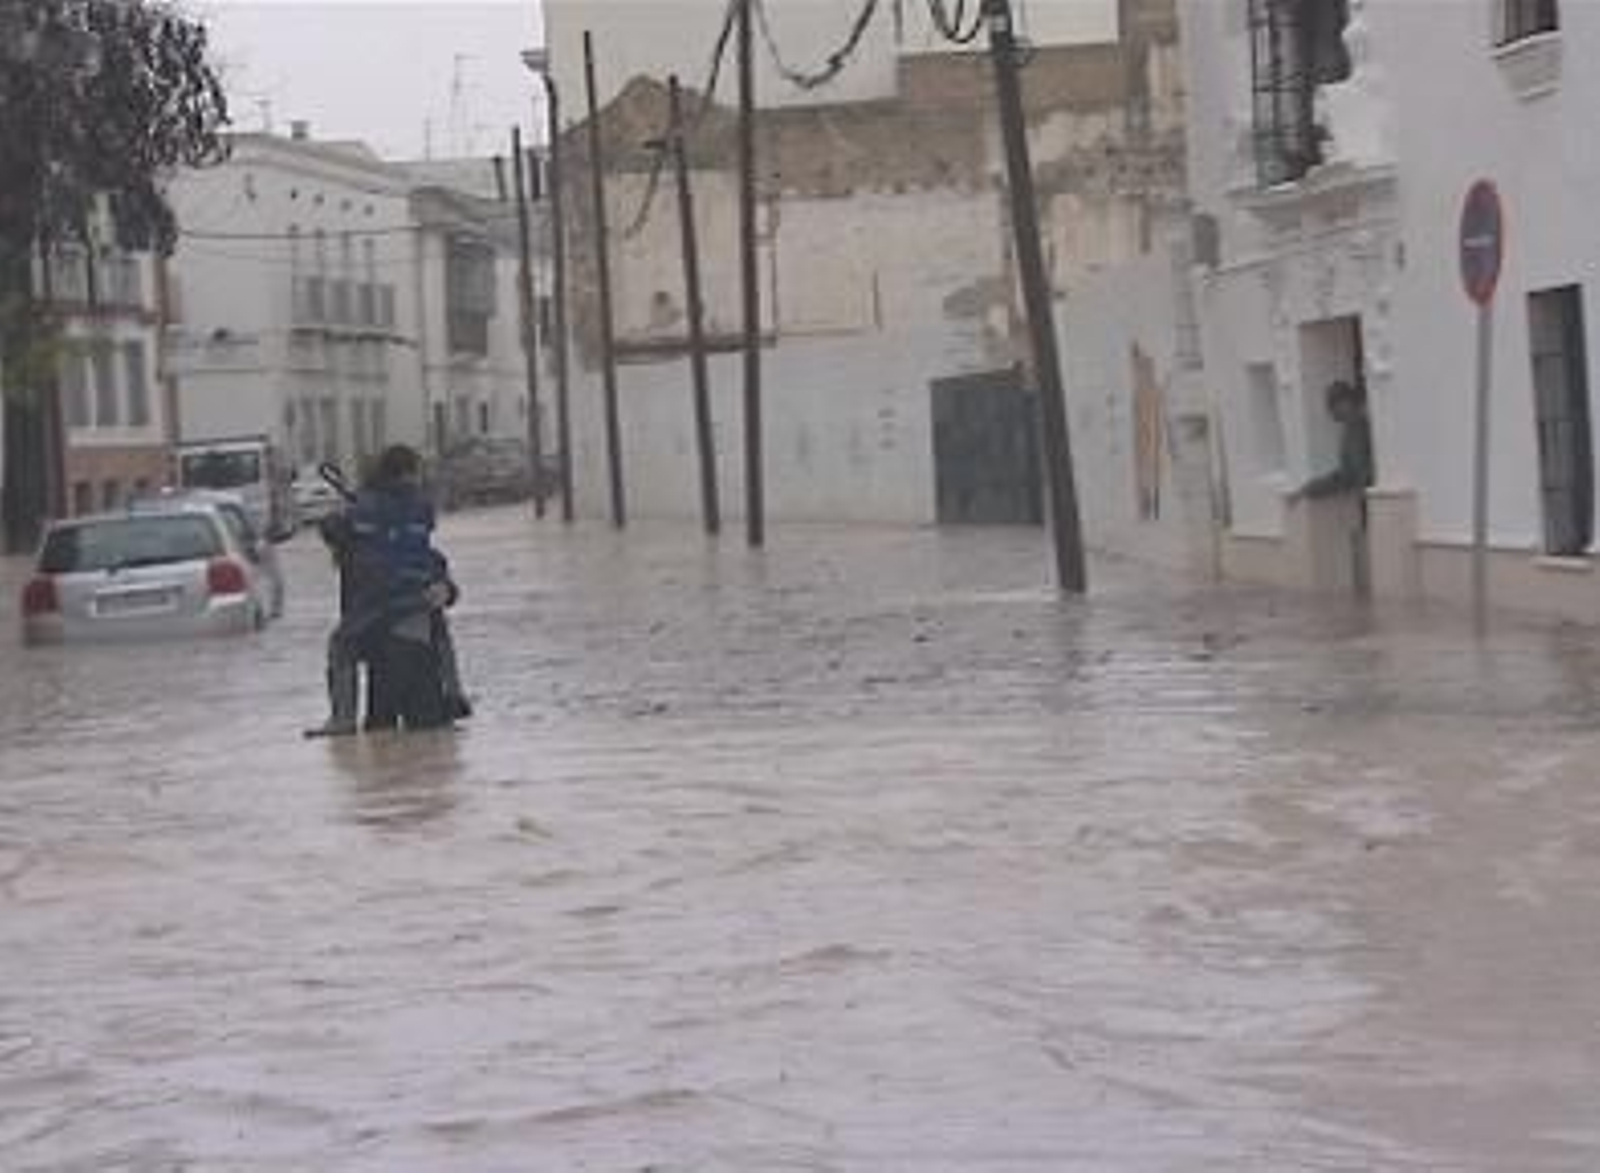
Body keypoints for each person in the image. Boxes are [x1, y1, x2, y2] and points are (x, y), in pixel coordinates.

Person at [308, 447, 469, 736]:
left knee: (341, 647)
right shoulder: (419, 507)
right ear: (409, 472)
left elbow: (336, 531)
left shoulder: (367, 507)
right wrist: (444, 586)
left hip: (381, 604)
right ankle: (455, 692)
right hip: (415, 598)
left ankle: (342, 718)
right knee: (441, 634)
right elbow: (423, 552)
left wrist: (341, 524)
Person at [1288, 380, 1374, 504]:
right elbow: (1345, 474)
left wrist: (1307, 489)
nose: (1329, 412)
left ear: (1345, 403)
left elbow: (1351, 474)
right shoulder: (1352, 428)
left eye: (1331, 405)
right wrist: (1309, 489)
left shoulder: (1358, 428)